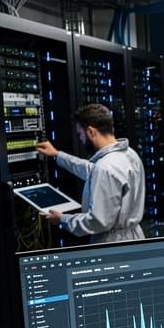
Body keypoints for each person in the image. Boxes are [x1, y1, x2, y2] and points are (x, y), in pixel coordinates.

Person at [35, 103, 145, 243]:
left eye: (80, 134)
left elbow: (97, 222)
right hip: (135, 237)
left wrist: (62, 219)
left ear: (91, 132)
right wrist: (57, 154)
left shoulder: (105, 167)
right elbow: (91, 170)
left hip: (112, 243)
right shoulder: (129, 154)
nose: (80, 139)